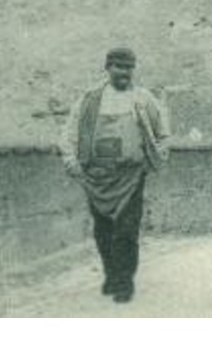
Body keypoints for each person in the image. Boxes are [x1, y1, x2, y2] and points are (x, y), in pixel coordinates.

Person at [58, 47, 170, 304]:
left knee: (127, 230)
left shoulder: (143, 99)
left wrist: (155, 158)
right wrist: (70, 159)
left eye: (129, 67)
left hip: (131, 176)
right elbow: (69, 132)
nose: (124, 73)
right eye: (119, 67)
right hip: (97, 177)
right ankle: (110, 273)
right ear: (108, 68)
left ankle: (124, 282)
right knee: (103, 230)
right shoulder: (89, 100)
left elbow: (163, 133)